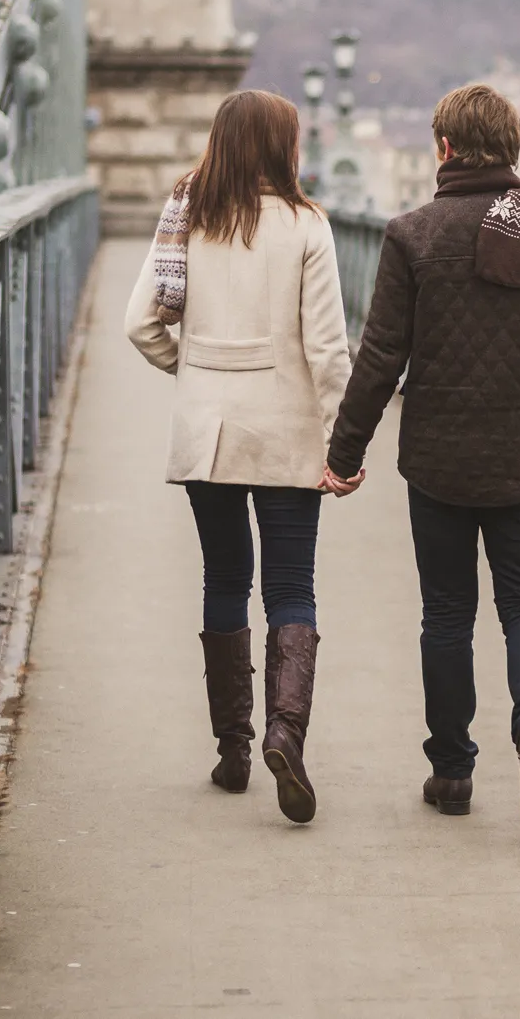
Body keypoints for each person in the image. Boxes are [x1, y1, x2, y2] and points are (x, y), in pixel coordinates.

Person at [321, 83, 520, 839]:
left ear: (444, 148)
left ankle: (451, 769)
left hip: (438, 460)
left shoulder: (411, 234)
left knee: (447, 614)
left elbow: (381, 355)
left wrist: (344, 453)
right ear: (512, 150)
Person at [125, 89, 352, 825]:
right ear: (282, 146)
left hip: (207, 431)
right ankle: (286, 733)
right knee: (291, 585)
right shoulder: (306, 224)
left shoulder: (187, 215)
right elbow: (326, 348)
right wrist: (342, 440)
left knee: (224, 576)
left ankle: (232, 749)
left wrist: (189, 372)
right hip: (286, 428)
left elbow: (141, 324)